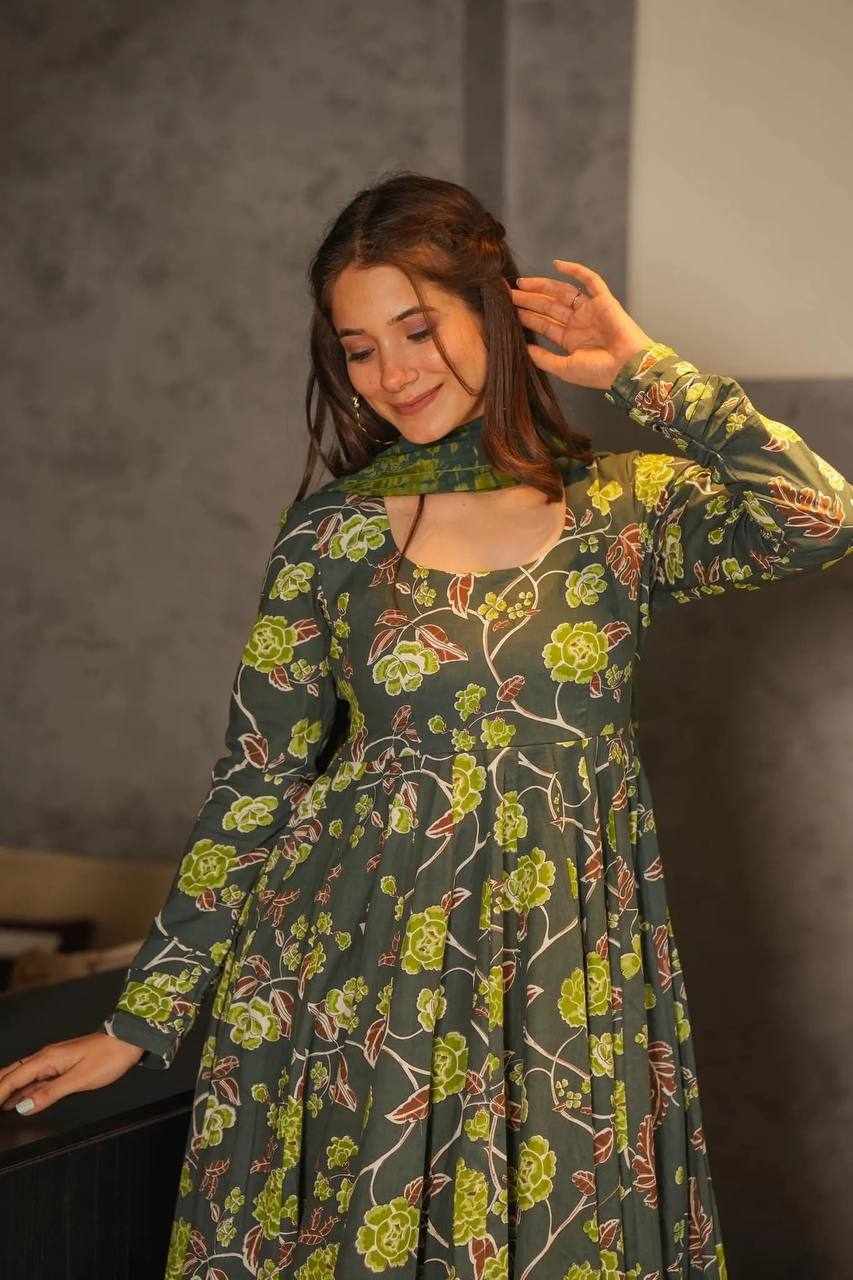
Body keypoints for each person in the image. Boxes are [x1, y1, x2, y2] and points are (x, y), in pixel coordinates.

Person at [1, 171, 850, 1280]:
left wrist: (645, 370)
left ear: (489, 307)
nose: (391, 373)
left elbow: (815, 515)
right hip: (354, 984)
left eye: (416, 327)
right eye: (358, 348)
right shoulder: (334, 534)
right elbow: (257, 780)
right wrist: (139, 1020)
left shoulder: (620, 509)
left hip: (562, 984)